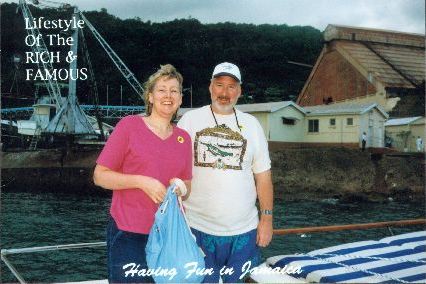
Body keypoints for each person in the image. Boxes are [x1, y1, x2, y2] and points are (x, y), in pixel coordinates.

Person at [93, 64, 192, 283]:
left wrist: (180, 187)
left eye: (174, 90)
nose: (168, 95)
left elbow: (187, 186)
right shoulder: (128, 126)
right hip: (129, 233)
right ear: (150, 97)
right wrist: (141, 182)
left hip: (168, 236)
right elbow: (100, 176)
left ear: (180, 99)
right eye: (162, 90)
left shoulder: (184, 139)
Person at [177, 62, 273, 283]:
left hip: (244, 232)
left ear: (239, 91)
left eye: (231, 87)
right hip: (196, 230)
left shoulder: (252, 125)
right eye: (219, 85)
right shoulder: (190, 120)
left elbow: (264, 177)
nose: (224, 92)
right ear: (210, 87)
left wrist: (266, 220)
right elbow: (173, 167)